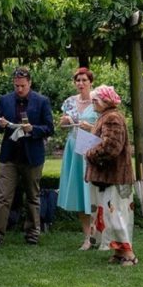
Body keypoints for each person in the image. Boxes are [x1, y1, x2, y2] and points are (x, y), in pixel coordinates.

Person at [0, 67, 54, 248]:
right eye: (16, 85)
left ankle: (32, 233)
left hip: (32, 156)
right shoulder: (5, 100)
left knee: (33, 197)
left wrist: (34, 129)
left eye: (23, 86)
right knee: (3, 197)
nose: (19, 89)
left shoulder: (42, 101)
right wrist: (0, 124)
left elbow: (50, 128)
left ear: (30, 83)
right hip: (9, 156)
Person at [85, 85, 137, 266]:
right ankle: (119, 252)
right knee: (108, 215)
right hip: (108, 177)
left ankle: (129, 254)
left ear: (106, 102)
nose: (92, 103)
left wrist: (88, 153)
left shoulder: (112, 118)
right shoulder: (106, 116)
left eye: (95, 100)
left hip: (114, 177)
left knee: (117, 216)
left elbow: (110, 147)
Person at [57, 67, 99, 250]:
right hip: (74, 147)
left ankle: (99, 233)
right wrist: (64, 121)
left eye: (84, 80)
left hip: (91, 146)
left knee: (93, 192)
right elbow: (63, 123)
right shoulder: (69, 102)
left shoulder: (98, 101)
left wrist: (89, 126)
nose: (81, 83)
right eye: (78, 80)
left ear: (91, 82)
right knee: (80, 193)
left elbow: (103, 126)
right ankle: (87, 237)